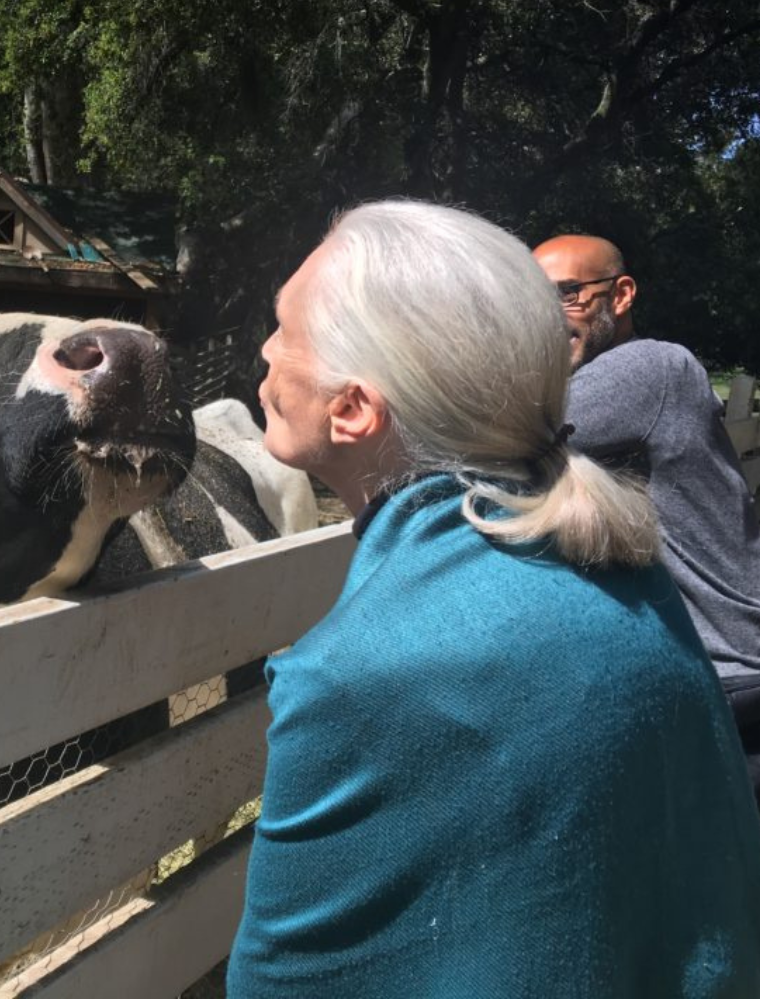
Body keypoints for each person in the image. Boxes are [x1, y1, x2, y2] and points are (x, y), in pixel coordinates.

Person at [226, 201, 760, 999]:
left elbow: (284, 982)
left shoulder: (355, 675)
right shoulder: (625, 567)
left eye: (284, 328)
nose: (265, 349)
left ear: (352, 410)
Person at [533, 234, 760, 794]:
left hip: (725, 670)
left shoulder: (651, 366)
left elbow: (498, 433)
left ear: (622, 294)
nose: (548, 316)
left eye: (568, 294)